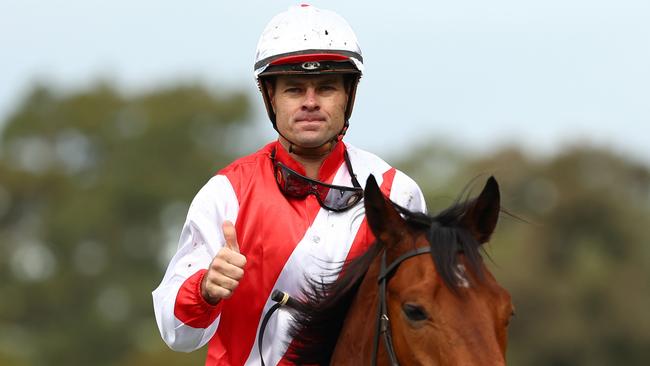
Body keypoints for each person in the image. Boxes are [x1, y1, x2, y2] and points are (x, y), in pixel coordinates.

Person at [152, 4, 426, 365]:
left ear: (348, 95)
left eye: (325, 88)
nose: (310, 103)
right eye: (295, 90)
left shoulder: (397, 194)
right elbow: (176, 333)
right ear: (271, 97)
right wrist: (205, 289)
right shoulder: (225, 193)